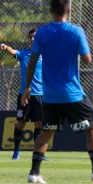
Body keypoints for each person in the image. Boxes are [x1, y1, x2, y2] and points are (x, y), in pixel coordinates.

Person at [21, 0, 93, 183]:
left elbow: (32, 61)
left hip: (49, 95)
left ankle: (34, 173)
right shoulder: (76, 31)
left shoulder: (42, 33)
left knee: (46, 132)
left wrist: (27, 88)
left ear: (50, 10)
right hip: (71, 93)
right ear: (69, 10)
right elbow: (87, 59)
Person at [0, 29, 47, 161]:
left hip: (40, 95)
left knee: (39, 124)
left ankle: (38, 153)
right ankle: (16, 151)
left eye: (35, 37)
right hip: (24, 96)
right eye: (30, 37)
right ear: (28, 39)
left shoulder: (45, 55)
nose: (32, 39)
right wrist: (5, 47)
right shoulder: (24, 54)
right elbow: (13, 51)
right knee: (21, 123)